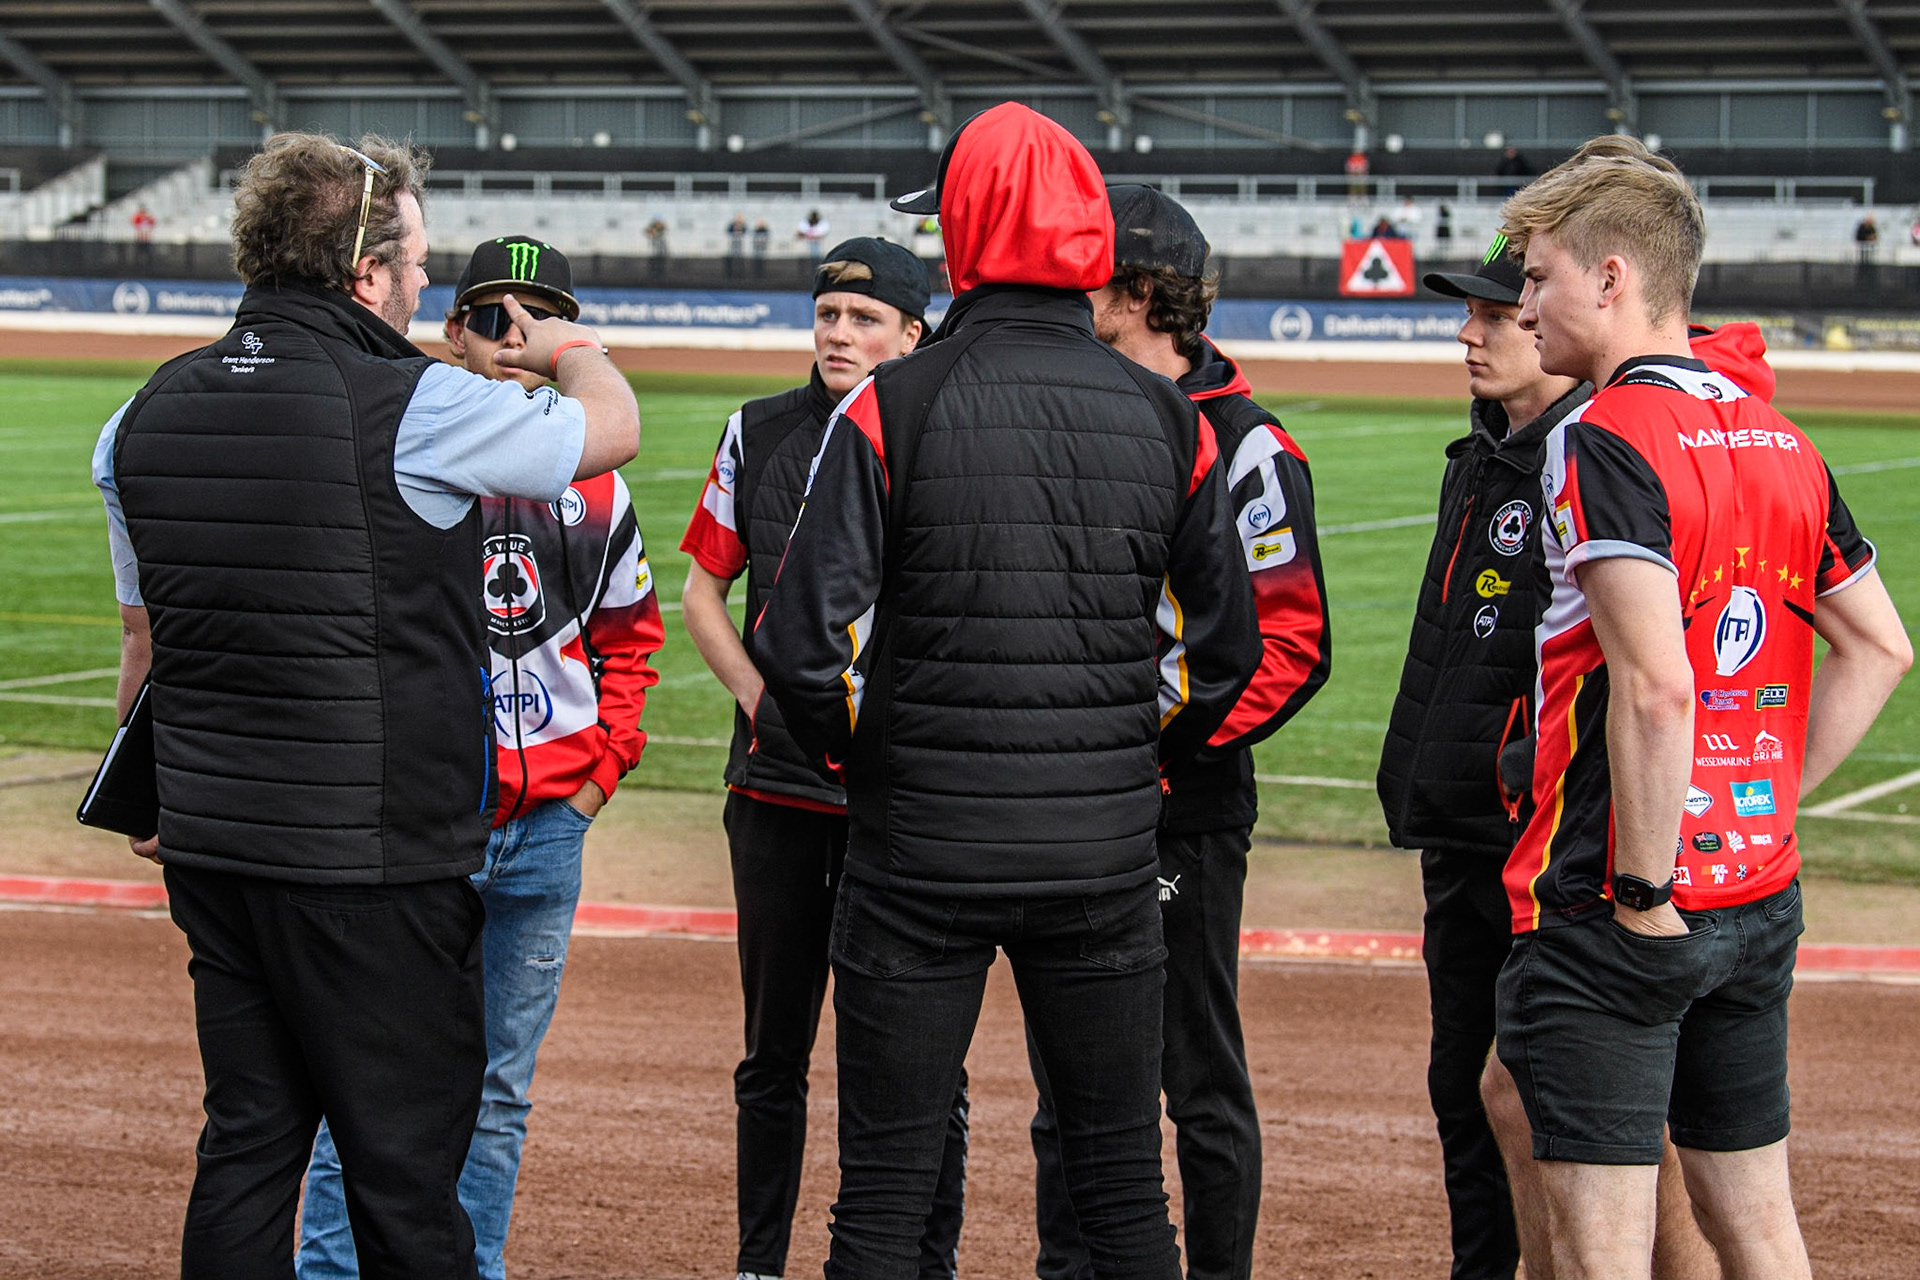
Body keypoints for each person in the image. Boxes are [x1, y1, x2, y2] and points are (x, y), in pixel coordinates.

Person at [89, 132, 639, 1278]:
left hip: (216, 844)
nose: (425, 286)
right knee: (405, 1162)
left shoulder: (141, 414)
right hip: (370, 860)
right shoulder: (417, 403)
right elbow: (609, 429)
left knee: (247, 1140)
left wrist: (152, 787)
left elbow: (148, 639)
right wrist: (572, 343)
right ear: (366, 271)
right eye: (417, 264)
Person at [754, 101, 1262, 1279]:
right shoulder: (1166, 413)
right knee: (1125, 1189)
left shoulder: (894, 401)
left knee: (882, 1195)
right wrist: (1137, 755)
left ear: (964, 234)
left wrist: (860, 756)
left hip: (916, 851)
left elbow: (799, 640)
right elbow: (1228, 650)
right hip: (1100, 856)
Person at [1496, 135, 1911, 1278]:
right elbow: (1881, 643)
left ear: (1613, 276)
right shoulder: (1783, 439)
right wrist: (1767, 801)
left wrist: (1640, 890)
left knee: (1601, 1253)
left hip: (1617, 899)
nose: (1524, 305)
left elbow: (1656, 682)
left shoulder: (1602, 434)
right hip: (1757, 889)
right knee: (1763, 1232)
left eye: (1538, 275)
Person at [296, 235, 665, 1280]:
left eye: (534, 317)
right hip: (422, 816)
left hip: (548, 821)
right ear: (448, 328)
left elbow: (630, 635)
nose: (511, 336)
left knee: (499, 1087)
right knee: (366, 1076)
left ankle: (475, 1266)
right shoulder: (406, 452)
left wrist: (598, 777)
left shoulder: (594, 487)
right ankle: (331, 1271)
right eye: (489, 314)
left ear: (562, 336)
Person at [1028, 184, 1330, 1280]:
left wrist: (1160, 755)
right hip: (1069, 801)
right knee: (1067, 1081)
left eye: (1087, 273)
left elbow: (1292, 644)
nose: (1066, 290)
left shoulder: (1247, 445)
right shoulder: (1076, 407)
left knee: (1195, 1077)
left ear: (1143, 293)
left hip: (1180, 812)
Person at [681, 236, 971, 1280]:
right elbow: (702, 591)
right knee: (773, 1053)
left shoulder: (946, 429)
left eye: (864, 320)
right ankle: (761, 1261)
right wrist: (766, 701)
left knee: (920, 1055)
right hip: (777, 791)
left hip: (905, 800)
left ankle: (920, 1258)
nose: (840, 334)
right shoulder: (754, 431)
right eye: (829, 315)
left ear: (912, 333)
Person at [1380, 235, 1589, 1280]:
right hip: (1458, 833)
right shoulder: (1483, 459)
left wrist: (1517, 781)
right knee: (1462, 1085)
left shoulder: (1582, 462)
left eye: (1497, 314)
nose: (1471, 332)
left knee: (1543, 1100)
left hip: (1534, 850)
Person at [726, 213, 749, 282]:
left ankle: (740, 275)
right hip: (733, 245)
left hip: (741, 245)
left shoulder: (744, 225)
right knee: (731, 259)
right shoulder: (732, 225)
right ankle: (730, 275)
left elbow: (746, 232)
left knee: (740, 260)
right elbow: (728, 231)